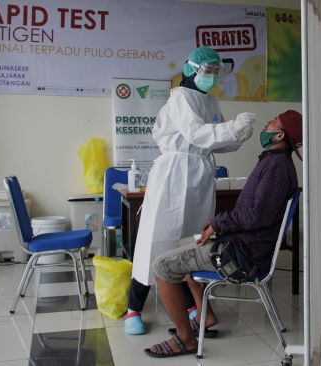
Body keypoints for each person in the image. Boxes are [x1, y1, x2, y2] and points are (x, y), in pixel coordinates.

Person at [143, 110, 301, 358]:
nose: (267, 123)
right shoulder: (274, 162)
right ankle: (205, 317)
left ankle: (185, 339)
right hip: (244, 245)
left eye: (272, 122)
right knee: (184, 243)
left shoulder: (277, 167)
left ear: (279, 134)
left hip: (242, 256)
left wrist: (219, 224)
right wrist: (219, 224)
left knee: (161, 266)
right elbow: (254, 213)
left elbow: (256, 216)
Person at [125, 46, 256, 335]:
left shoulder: (209, 100)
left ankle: (192, 307)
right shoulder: (180, 97)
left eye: (216, 72)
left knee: (190, 244)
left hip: (199, 177)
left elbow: (215, 139)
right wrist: (231, 129)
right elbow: (197, 133)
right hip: (173, 176)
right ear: (191, 69)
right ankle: (133, 308)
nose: (212, 76)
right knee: (156, 242)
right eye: (207, 71)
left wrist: (237, 136)